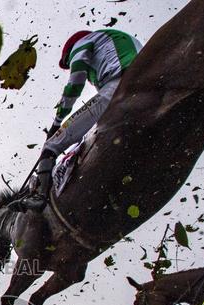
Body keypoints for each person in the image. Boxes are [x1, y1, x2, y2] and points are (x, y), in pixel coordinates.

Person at [25, 29, 142, 207]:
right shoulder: (114, 40)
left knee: (51, 145)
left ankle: (40, 198)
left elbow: (75, 81)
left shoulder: (82, 43)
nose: (70, 63)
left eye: (68, 62)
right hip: (139, 76)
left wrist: (57, 123)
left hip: (118, 85)